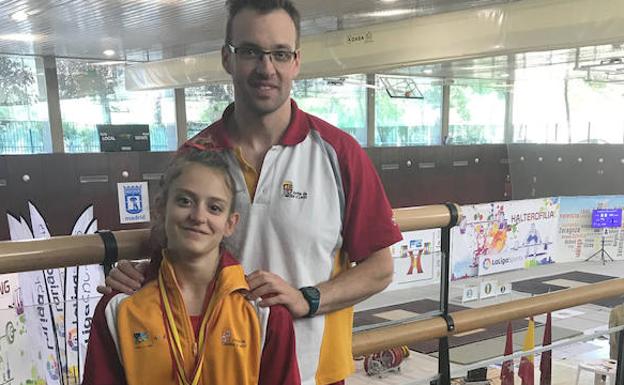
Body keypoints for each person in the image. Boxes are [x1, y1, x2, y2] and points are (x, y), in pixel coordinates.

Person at [99, 0, 402, 383]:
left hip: (314, 372)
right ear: (227, 58)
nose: (266, 68)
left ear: (296, 61)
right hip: (218, 371)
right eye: (250, 52)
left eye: (279, 53)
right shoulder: (195, 157)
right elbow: (175, 257)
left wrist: (307, 298)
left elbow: (379, 268)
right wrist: (139, 273)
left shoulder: (339, 154)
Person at [84, 147, 300, 385]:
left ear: (230, 223)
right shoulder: (119, 307)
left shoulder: (264, 311)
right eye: (185, 201)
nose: (198, 216)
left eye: (214, 207)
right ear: (161, 208)